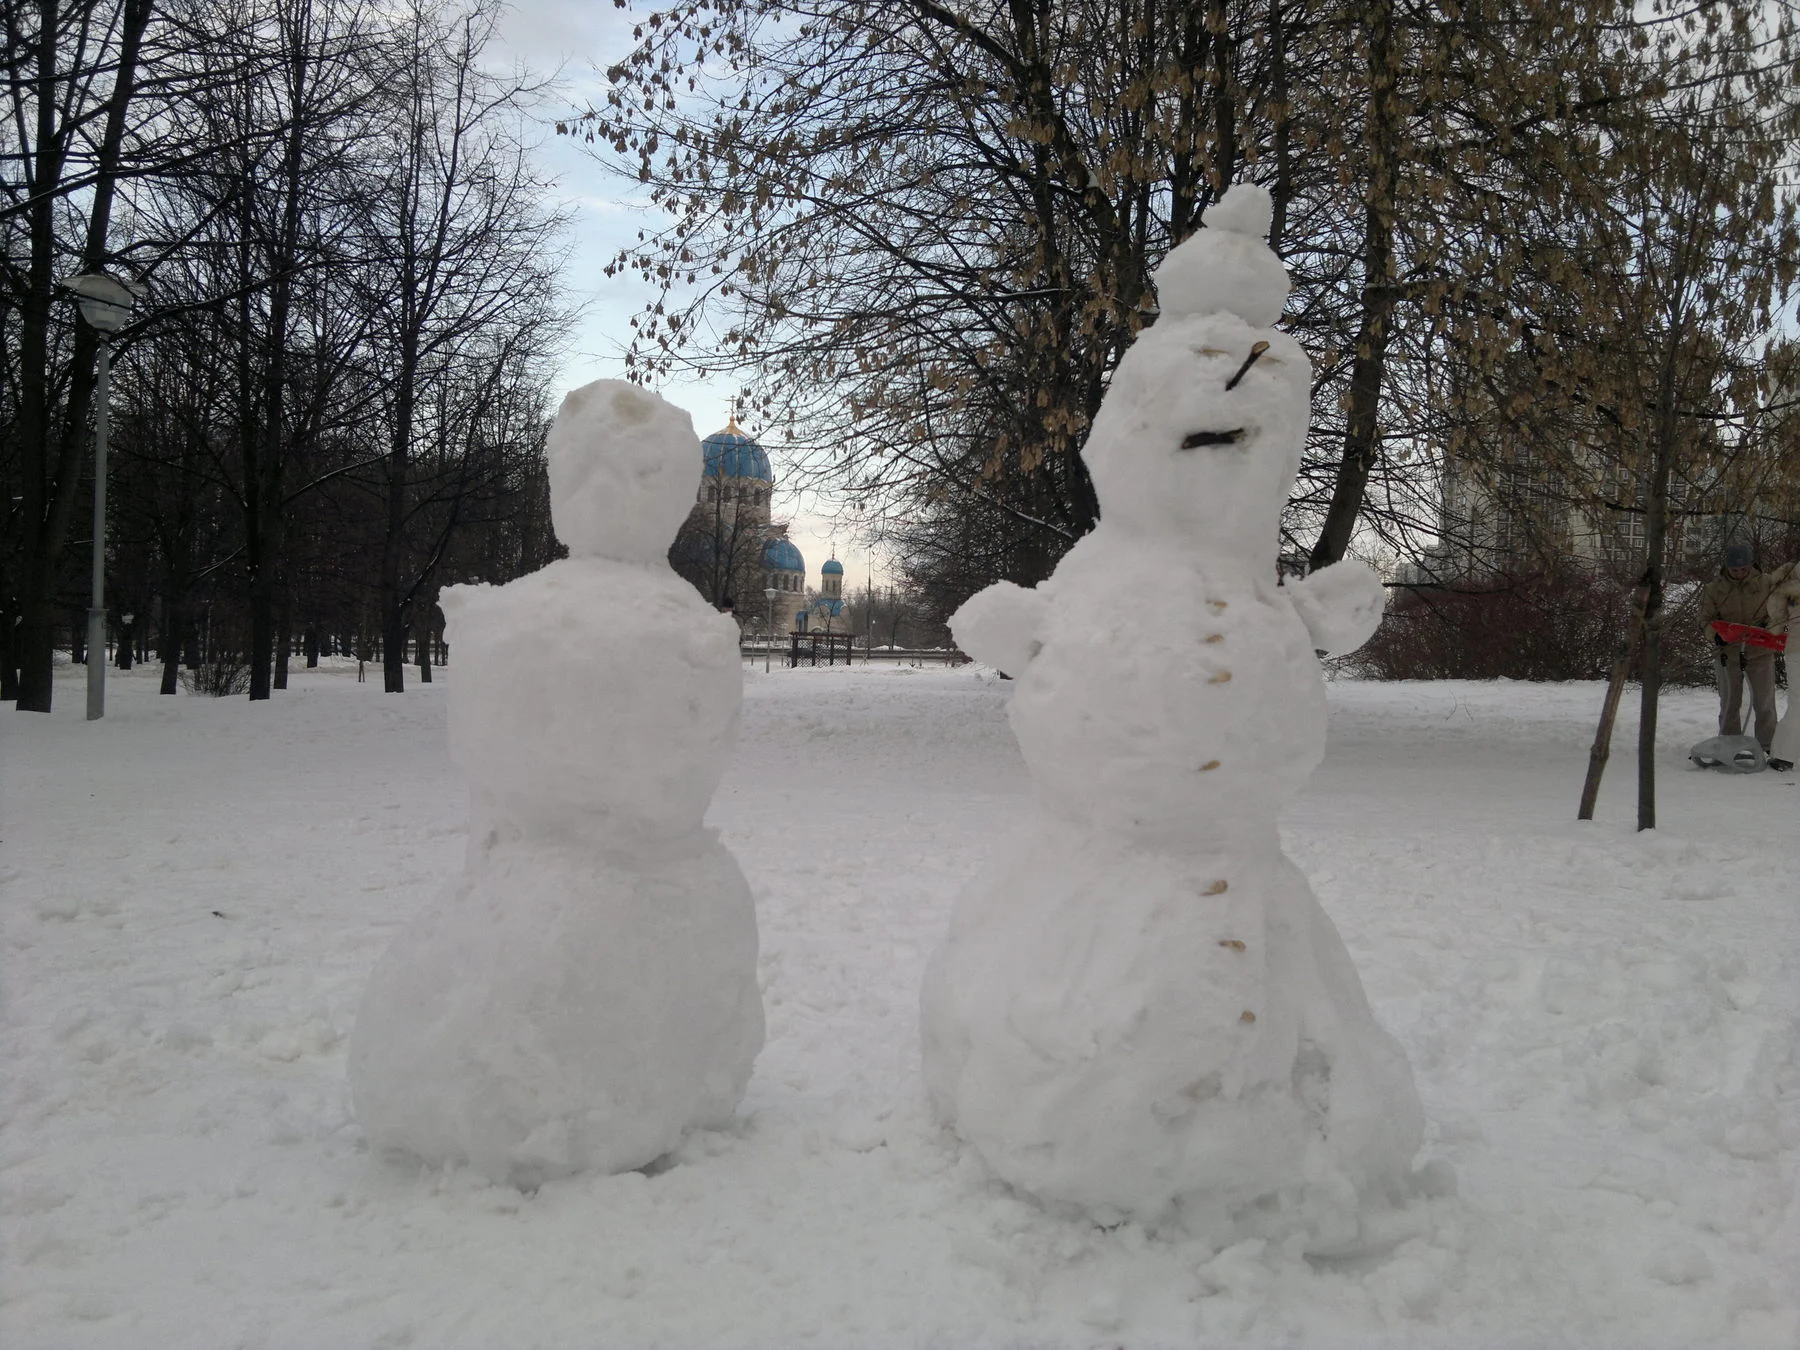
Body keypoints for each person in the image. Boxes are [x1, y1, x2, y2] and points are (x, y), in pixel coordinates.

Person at [1698, 543, 1797, 763]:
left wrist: (1771, 626)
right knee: (1730, 701)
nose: (1740, 574)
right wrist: (1715, 634)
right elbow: (1705, 619)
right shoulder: (1714, 589)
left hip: (1760, 651)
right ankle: (1729, 744)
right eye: (1735, 570)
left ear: (1751, 566)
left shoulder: (1767, 584)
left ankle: (1768, 744)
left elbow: (1779, 612)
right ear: (1727, 567)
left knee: (1764, 701)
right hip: (1728, 653)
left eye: (1744, 569)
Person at [1765, 567, 1800, 772]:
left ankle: (1784, 754)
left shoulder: (1786, 581)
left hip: (1796, 649)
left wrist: (1789, 628)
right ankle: (1783, 754)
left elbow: (1779, 624)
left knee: (1798, 704)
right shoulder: (1788, 581)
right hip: (1797, 649)